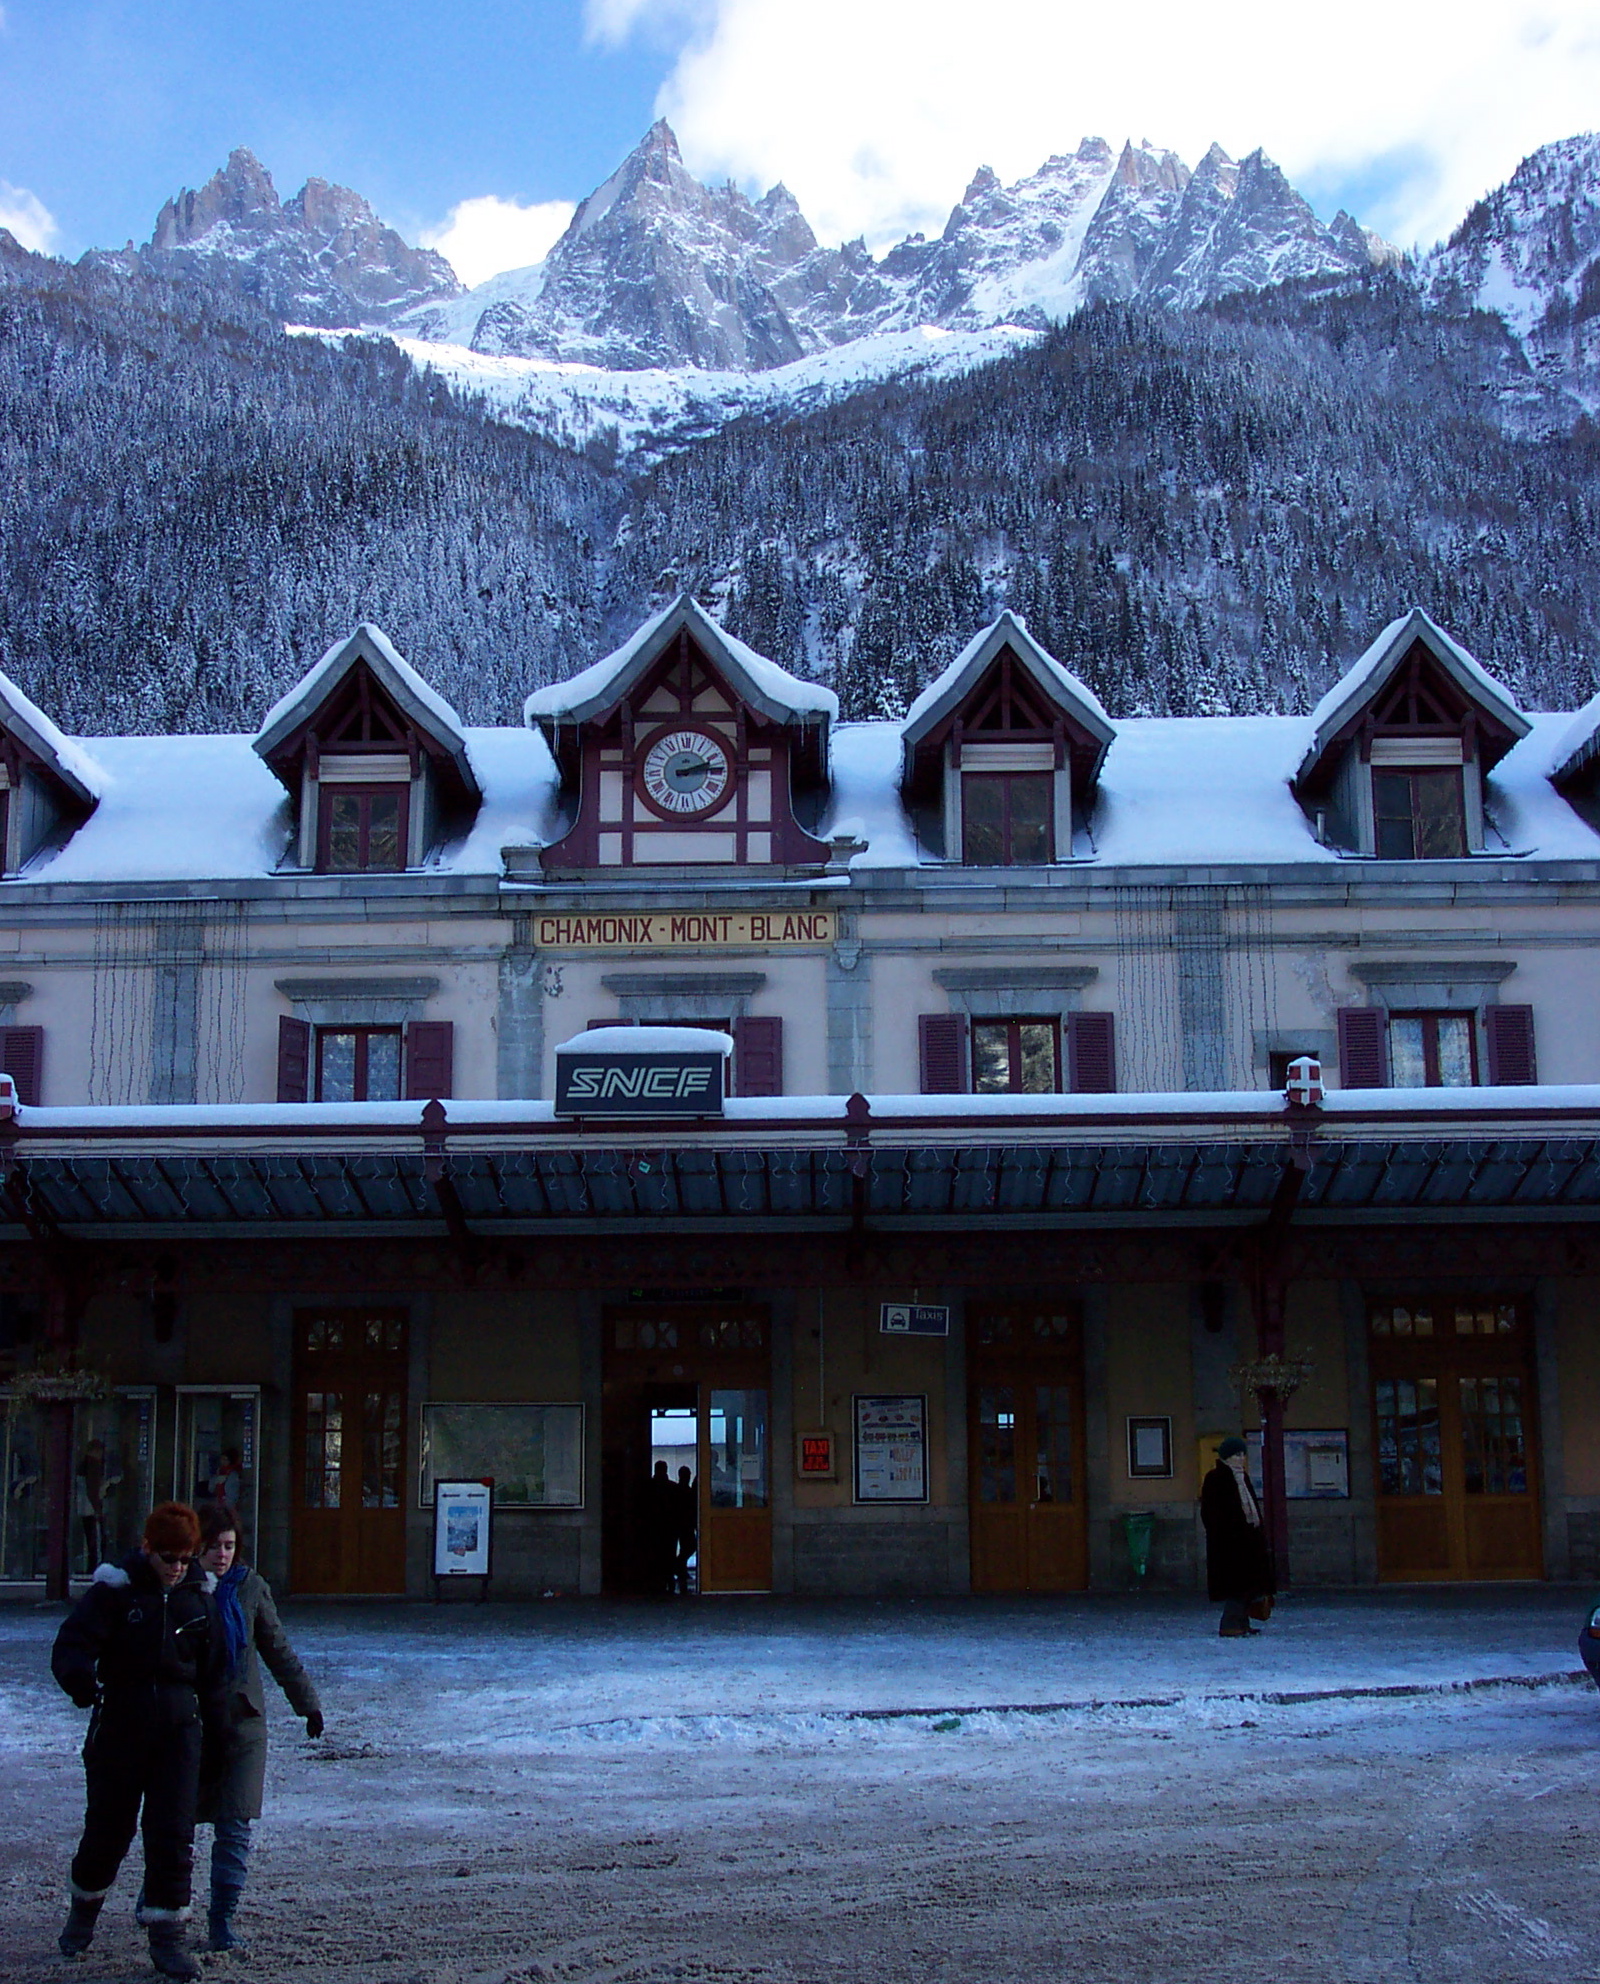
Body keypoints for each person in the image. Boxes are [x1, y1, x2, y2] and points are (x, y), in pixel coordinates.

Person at [51, 1501, 228, 1980]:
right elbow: (72, 1645)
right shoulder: (114, 1593)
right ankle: (83, 1908)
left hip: (179, 1731)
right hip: (121, 1728)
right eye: (167, 1557)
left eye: (184, 1558)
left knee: (173, 1836)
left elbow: (215, 1678)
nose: (175, 1568)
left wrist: (218, 1739)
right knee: (108, 1831)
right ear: (146, 1548)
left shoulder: (199, 1600)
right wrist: (81, 1682)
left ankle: (167, 1937)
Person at [194, 1501, 324, 1951]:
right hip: (188, 1725)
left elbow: (278, 1650)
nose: (222, 1555)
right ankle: (159, 1898)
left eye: (229, 1546)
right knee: (174, 1823)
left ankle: (221, 1919)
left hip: (241, 1724)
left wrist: (307, 1705)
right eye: (212, 1547)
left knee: (234, 1824)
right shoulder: (181, 1589)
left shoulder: (249, 1588)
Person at [1200, 1437, 1276, 1638]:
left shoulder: (1243, 1477)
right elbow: (1211, 1512)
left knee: (1250, 1585)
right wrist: (1225, 1532)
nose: (1240, 1459)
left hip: (1248, 1538)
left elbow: (1251, 1508)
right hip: (1229, 1542)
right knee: (1236, 1586)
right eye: (1236, 1455)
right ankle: (1230, 1624)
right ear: (1226, 1457)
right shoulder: (1216, 1478)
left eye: (1242, 1454)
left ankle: (1243, 1622)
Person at [76, 1437, 106, 1573]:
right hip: (90, 1509)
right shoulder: (93, 1465)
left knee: (89, 1539)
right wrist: (98, 1509)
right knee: (95, 1541)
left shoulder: (82, 1464)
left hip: (82, 1507)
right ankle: (93, 1567)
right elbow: (92, 1489)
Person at [671, 1465, 697, 1595]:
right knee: (689, 1546)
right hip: (685, 1524)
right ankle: (678, 1566)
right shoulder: (687, 1491)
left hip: (678, 1523)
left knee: (686, 1547)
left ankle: (679, 1567)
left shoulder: (676, 1489)